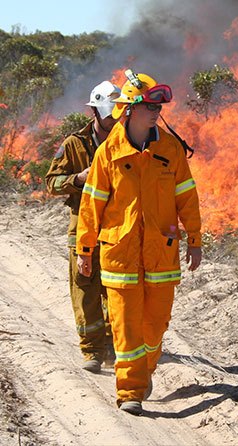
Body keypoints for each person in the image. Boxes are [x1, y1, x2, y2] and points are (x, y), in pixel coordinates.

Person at [75, 69, 202, 415]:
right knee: (126, 328)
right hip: (120, 256)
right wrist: (84, 249)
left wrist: (195, 238)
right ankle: (130, 391)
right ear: (129, 109)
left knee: (155, 326)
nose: (156, 112)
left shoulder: (171, 150)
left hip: (161, 255)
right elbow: (91, 205)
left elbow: (187, 197)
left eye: (159, 107)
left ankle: (144, 371)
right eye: (149, 106)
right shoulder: (108, 154)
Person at [45, 81, 121, 373]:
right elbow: (51, 182)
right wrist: (78, 179)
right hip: (82, 227)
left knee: (116, 288)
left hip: (118, 228)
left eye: (118, 113)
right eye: (109, 113)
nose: (114, 119)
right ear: (94, 112)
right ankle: (92, 350)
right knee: (84, 288)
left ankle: (115, 343)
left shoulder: (126, 141)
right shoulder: (74, 144)